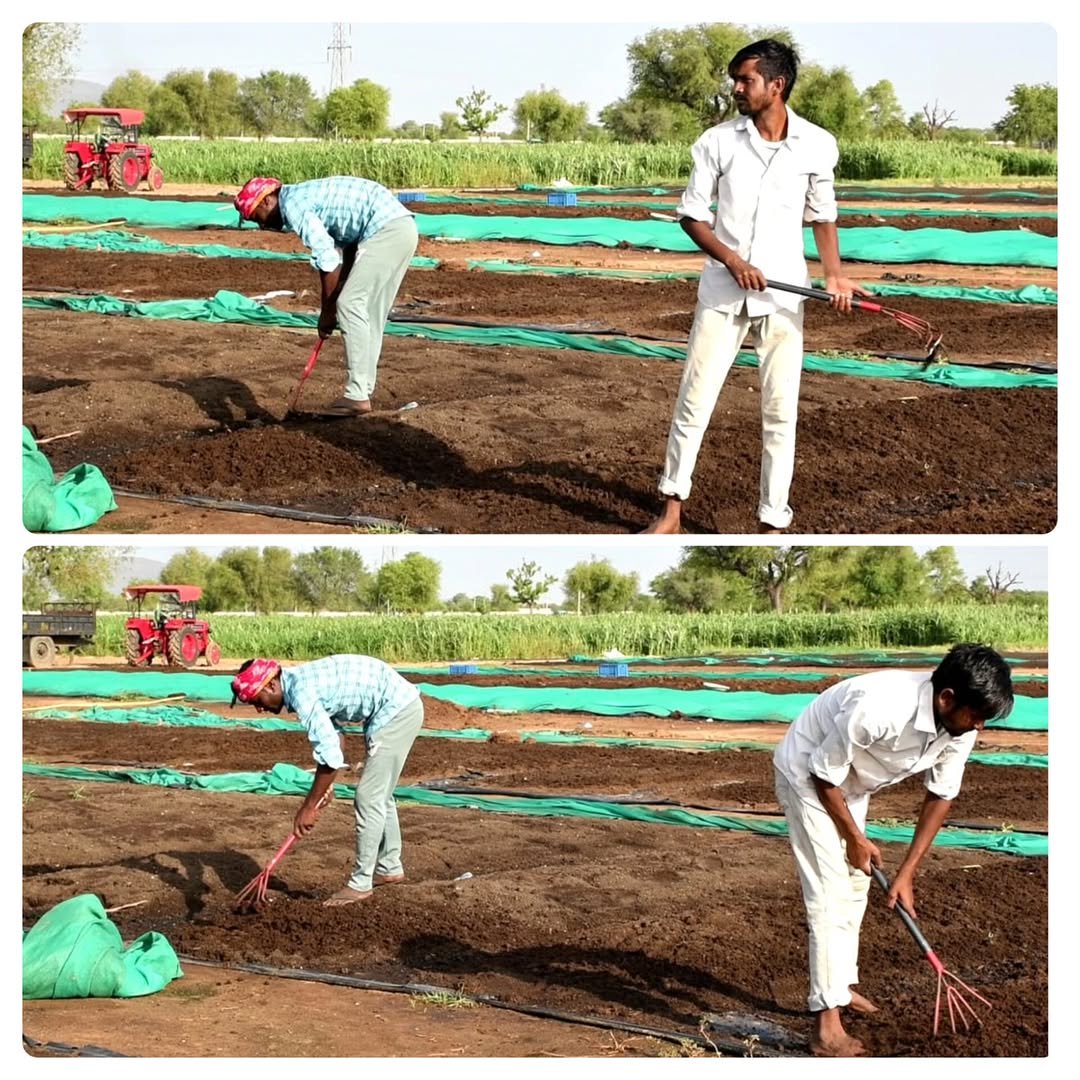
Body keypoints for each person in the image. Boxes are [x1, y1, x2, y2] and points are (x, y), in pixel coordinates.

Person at [644, 39, 867, 534]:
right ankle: (671, 512)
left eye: (746, 80)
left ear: (776, 85)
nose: (736, 89)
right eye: (736, 80)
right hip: (722, 293)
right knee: (694, 400)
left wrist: (834, 275)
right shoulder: (717, 142)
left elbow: (823, 215)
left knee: (780, 411)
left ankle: (771, 522)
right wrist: (732, 260)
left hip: (784, 297)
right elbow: (692, 215)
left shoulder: (817, 145)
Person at [772, 643, 1014, 1057]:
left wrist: (906, 873)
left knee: (855, 885)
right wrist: (854, 838)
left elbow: (941, 794)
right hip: (808, 774)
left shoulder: (960, 727)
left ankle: (839, 986)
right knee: (829, 893)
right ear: (947, 698)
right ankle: (826, 1026)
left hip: (851, 783)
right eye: (976, 715)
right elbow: (822, 774)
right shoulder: (880, 708)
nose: (980, 725)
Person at [231, 654, 424, 906]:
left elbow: (330, 757)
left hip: (398, 711)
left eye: (257, 700)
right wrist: (327, 785)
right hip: (393, 710)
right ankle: (389, 867)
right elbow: (335, 737)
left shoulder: (302, 693)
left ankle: (360, 884)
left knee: (369, 797)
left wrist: (308, 807)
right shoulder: (299, 684)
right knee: (378, 793)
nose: (259, 709)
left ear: (271, 685)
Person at [234, 176, 419, 418]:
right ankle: (361, 391)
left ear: (267, 200)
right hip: (401, 229)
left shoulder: (294, 205)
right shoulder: (304, 196)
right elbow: (350, 248)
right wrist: (338, 293)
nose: (262, 226)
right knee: (367, 312)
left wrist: (328, 312)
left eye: (258, 217)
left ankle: (357, 395)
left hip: (387, 230)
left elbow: (327, 259)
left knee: (349, 304)